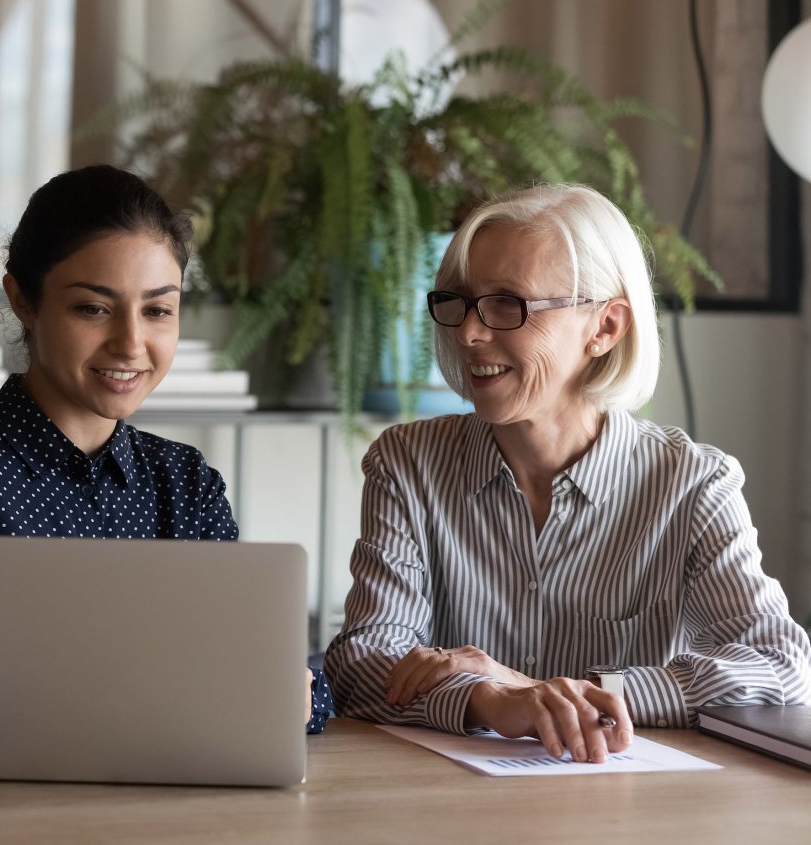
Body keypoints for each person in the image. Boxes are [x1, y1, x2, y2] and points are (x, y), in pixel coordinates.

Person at [0, 164, 332, 741]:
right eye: (93, 308)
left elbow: (297, 685)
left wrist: (288, 688)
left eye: (157, 310)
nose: (131, 344)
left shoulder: (187, 485)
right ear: (23, 299)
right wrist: (11, 676)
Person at [324, 184, 811, 764]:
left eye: (508, 303)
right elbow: (361, 665)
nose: (469, 334)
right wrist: (489, 700)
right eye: (461, 301)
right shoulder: (408, 463)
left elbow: (778, 666)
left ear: (605, 327)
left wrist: (584, 692)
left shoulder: (693, 485)